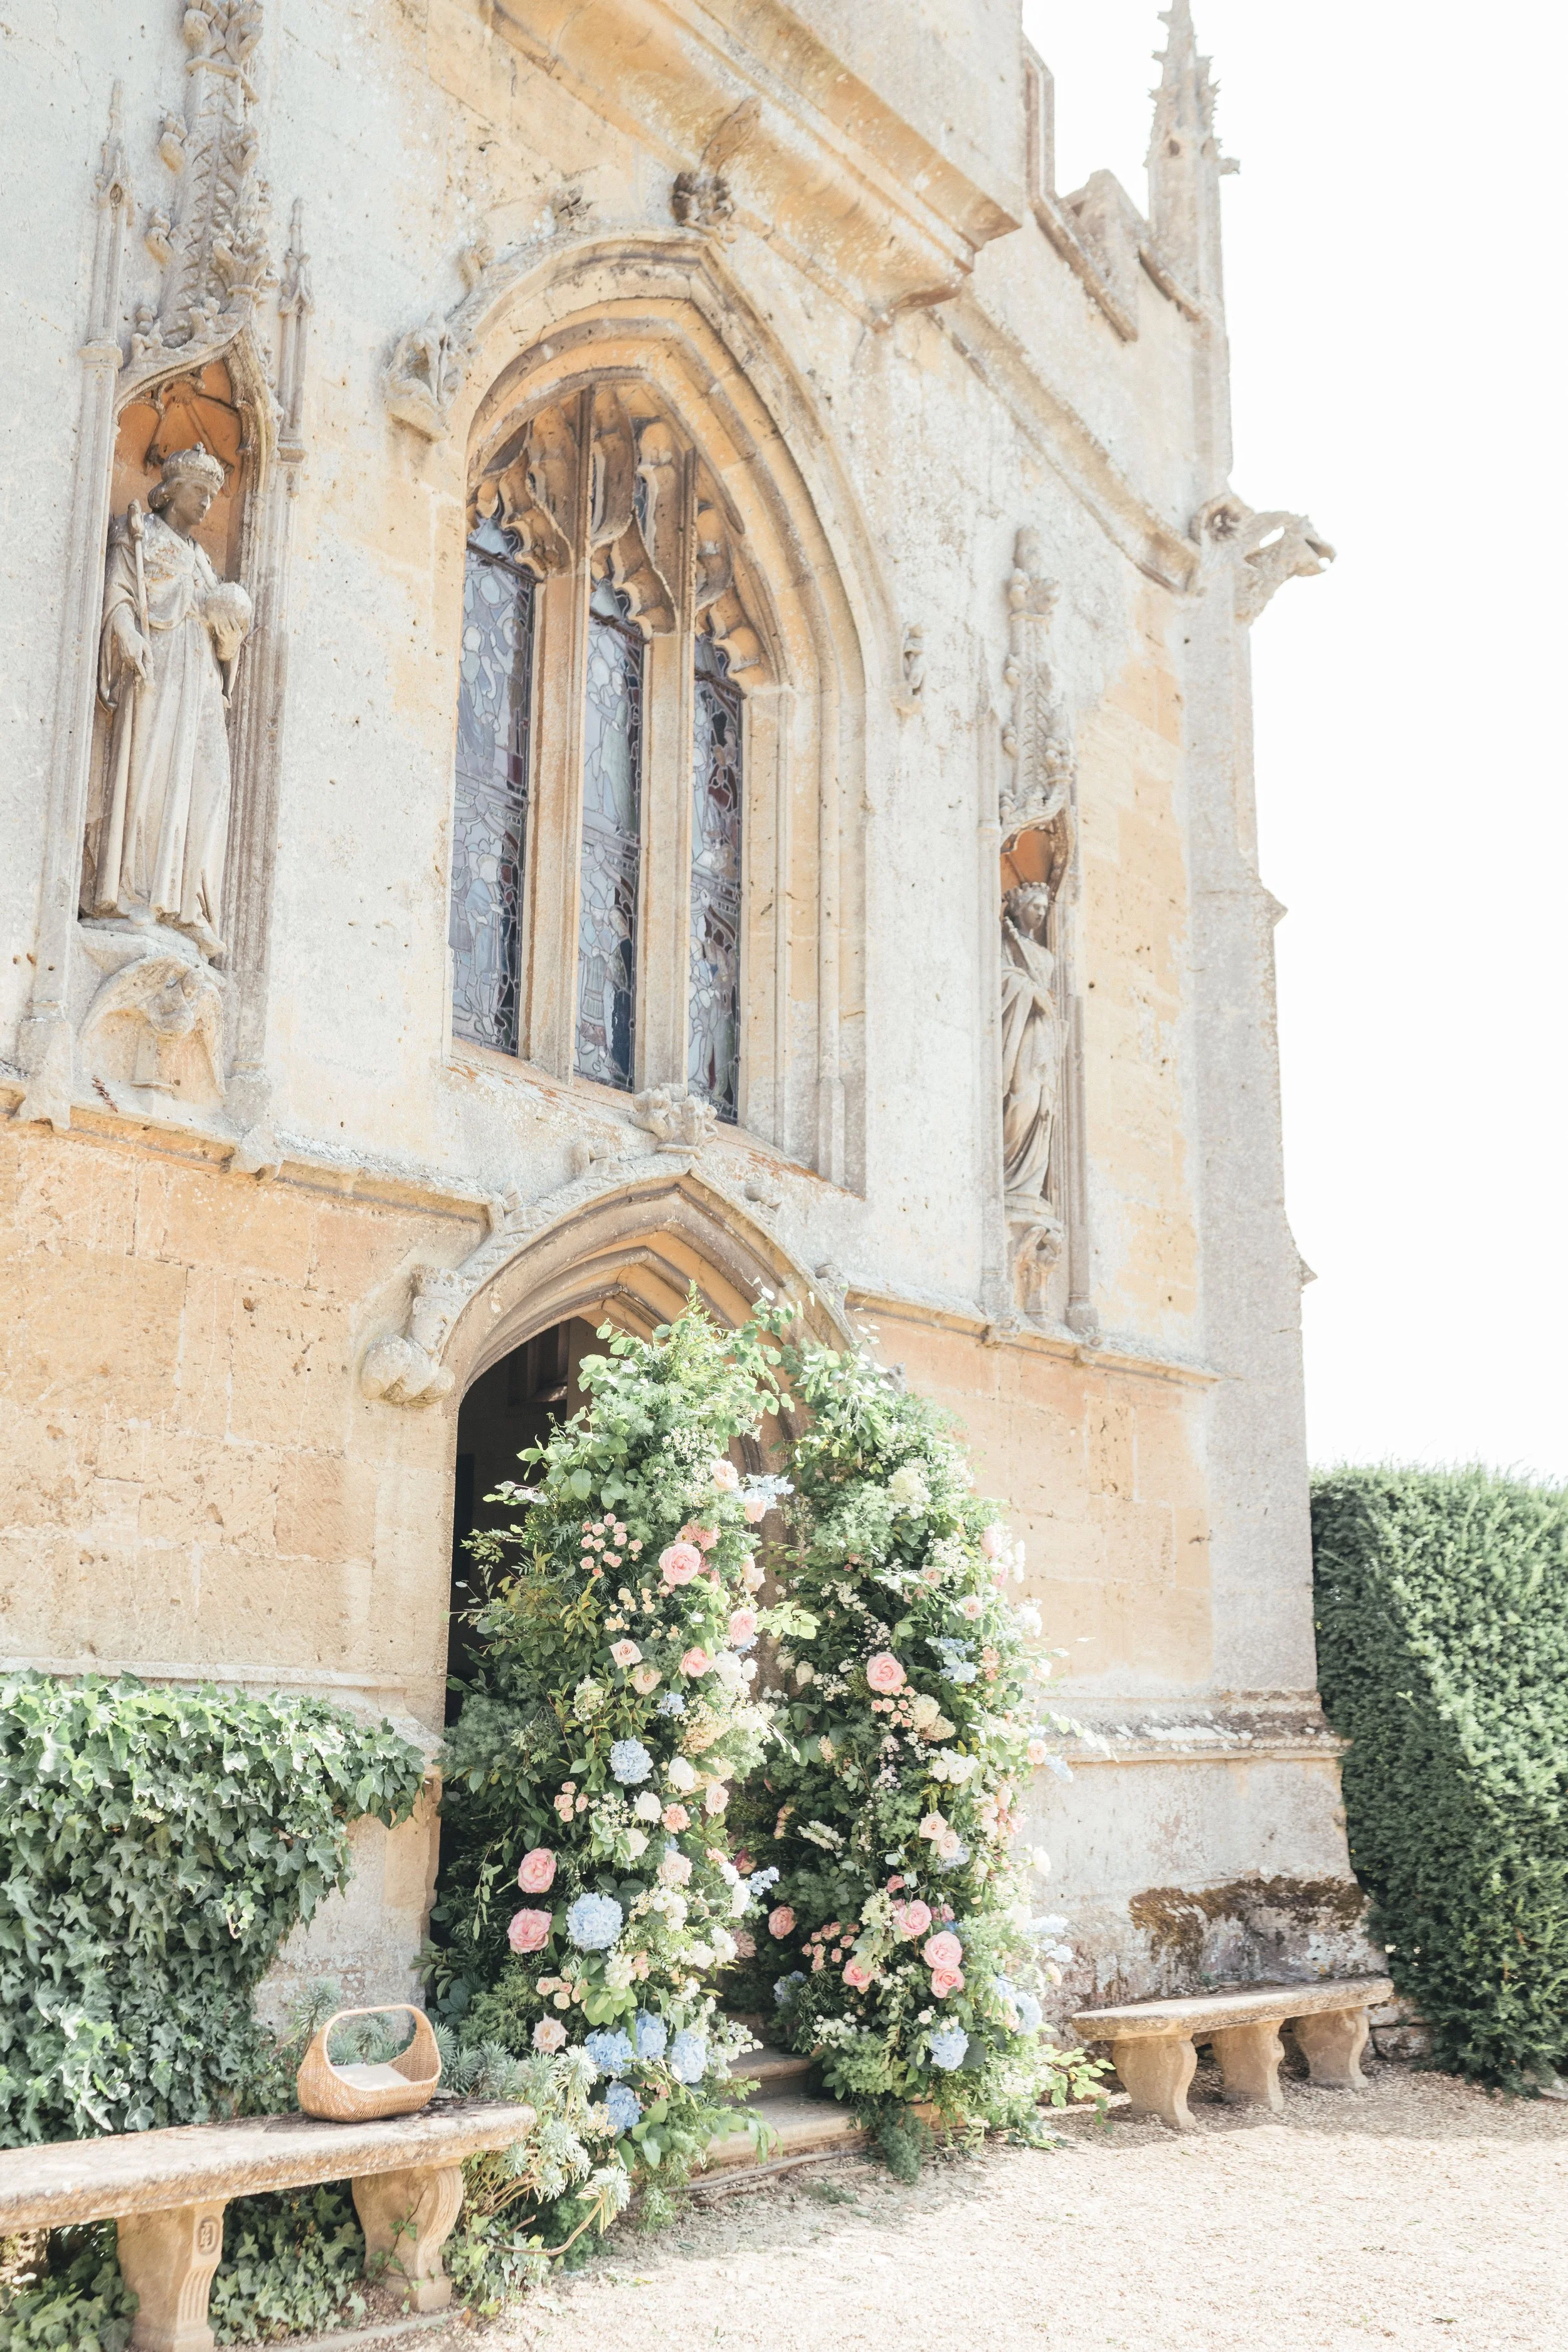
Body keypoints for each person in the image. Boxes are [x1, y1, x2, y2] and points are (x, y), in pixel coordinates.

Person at [89, 443, 252, 959]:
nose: (207, 503)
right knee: (152, 780)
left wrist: (230, 639)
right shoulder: (139, 533)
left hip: (201, 684)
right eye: (199, 491)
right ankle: (138, 895)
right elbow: (119, 594)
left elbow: (224, 641)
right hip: (158, 673)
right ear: (171, 490)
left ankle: (190, 907)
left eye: (213, 495)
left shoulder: (204, 562)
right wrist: (126, 632)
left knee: (210, 781)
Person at [1000, 881, 1062, 1214]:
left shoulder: (1045, 956)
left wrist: (1044, 998)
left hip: (1043, 1031)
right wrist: (1026, 989)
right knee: (1022, 1096)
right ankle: (1008, 1175)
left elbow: (1048, 990)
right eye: (1035, 907)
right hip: (1020, 1027)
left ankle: (1028, 1183)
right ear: (1020, 908)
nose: (1040, 913)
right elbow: (999, 979)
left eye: (1044, 909)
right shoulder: (1006, 941)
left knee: (1042, 1104)